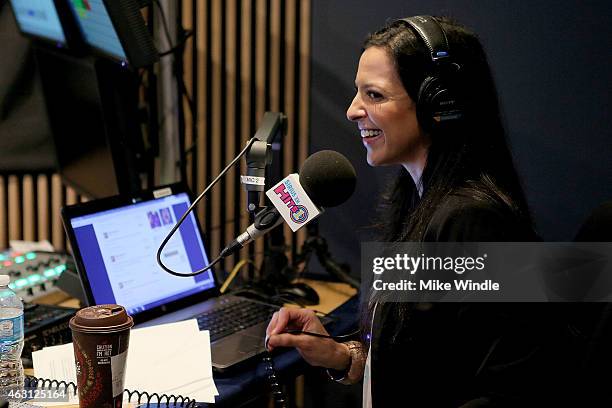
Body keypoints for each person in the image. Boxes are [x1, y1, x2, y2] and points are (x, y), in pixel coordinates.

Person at [266, 16, 587, 406]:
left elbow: (516, 388)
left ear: (438, 104)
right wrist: (344, 356)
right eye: (357, 93)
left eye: (375, 95)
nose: (352, 110)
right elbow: (433, 358)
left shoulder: (472, 220)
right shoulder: (416, 197)